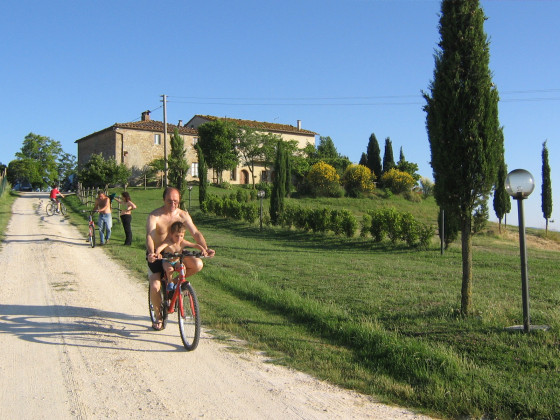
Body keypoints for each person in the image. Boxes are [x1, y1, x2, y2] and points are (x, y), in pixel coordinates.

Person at [146, 186, 215, 331]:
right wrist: (152, 253)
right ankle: (159, 316)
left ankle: (174, 285)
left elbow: (195, 233)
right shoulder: (155, 216)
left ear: (179, 201)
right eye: (169, 201)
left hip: (177, 254)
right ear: (164, 199)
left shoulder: (182, 215)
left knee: (198, 264)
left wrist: (206, 248)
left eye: (176, 201)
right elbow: (150, 236)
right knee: (155, 286)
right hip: (159, 257)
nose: (173, 204)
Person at [154, 221, 206, 287]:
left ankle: (177, 282)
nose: (179, 238)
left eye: (181, 236)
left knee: (183, 268)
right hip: (167, 261)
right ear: (171, 234)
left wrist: (203, 250)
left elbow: (195, 245)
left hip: (177, 261)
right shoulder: (168, 242)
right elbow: (160, 248)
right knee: (170, 270)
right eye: (176, 236)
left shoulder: (182, 242)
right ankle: (170, 283)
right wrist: (157, 254)